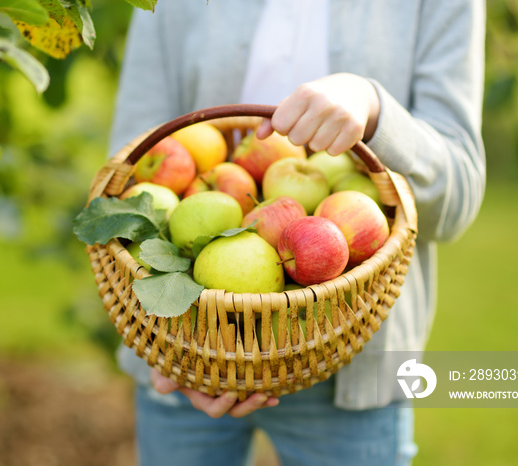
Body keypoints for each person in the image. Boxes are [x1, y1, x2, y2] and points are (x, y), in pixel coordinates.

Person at [107, 1, 486, 465]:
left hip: (350, 362)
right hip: (186, 345)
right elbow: (126, 177)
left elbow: (459, 198)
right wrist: (172, 348)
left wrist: (372, 108)